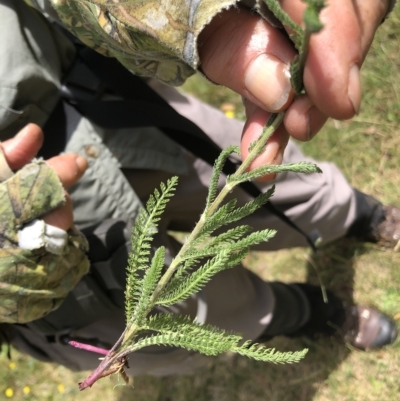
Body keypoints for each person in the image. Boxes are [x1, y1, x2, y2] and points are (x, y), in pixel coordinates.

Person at [0, 0, 398, 376]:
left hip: (83, 96)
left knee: (269, 183)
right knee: (207, 315)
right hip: (38, 287)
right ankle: (316, 314)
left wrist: (186, 18)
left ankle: (363, 216)